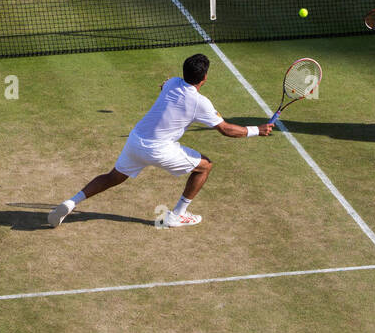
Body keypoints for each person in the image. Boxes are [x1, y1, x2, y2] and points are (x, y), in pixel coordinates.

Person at [48, 53, 273, 229]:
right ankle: (176, 216)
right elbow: (225, 129)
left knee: (113, 177)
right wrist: (257, 130)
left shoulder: (173, 82)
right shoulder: (200, 102)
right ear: (204, 78)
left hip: (136, 140)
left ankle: (71, 202)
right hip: (159, 149)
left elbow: (165, 86)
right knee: (204, 166)